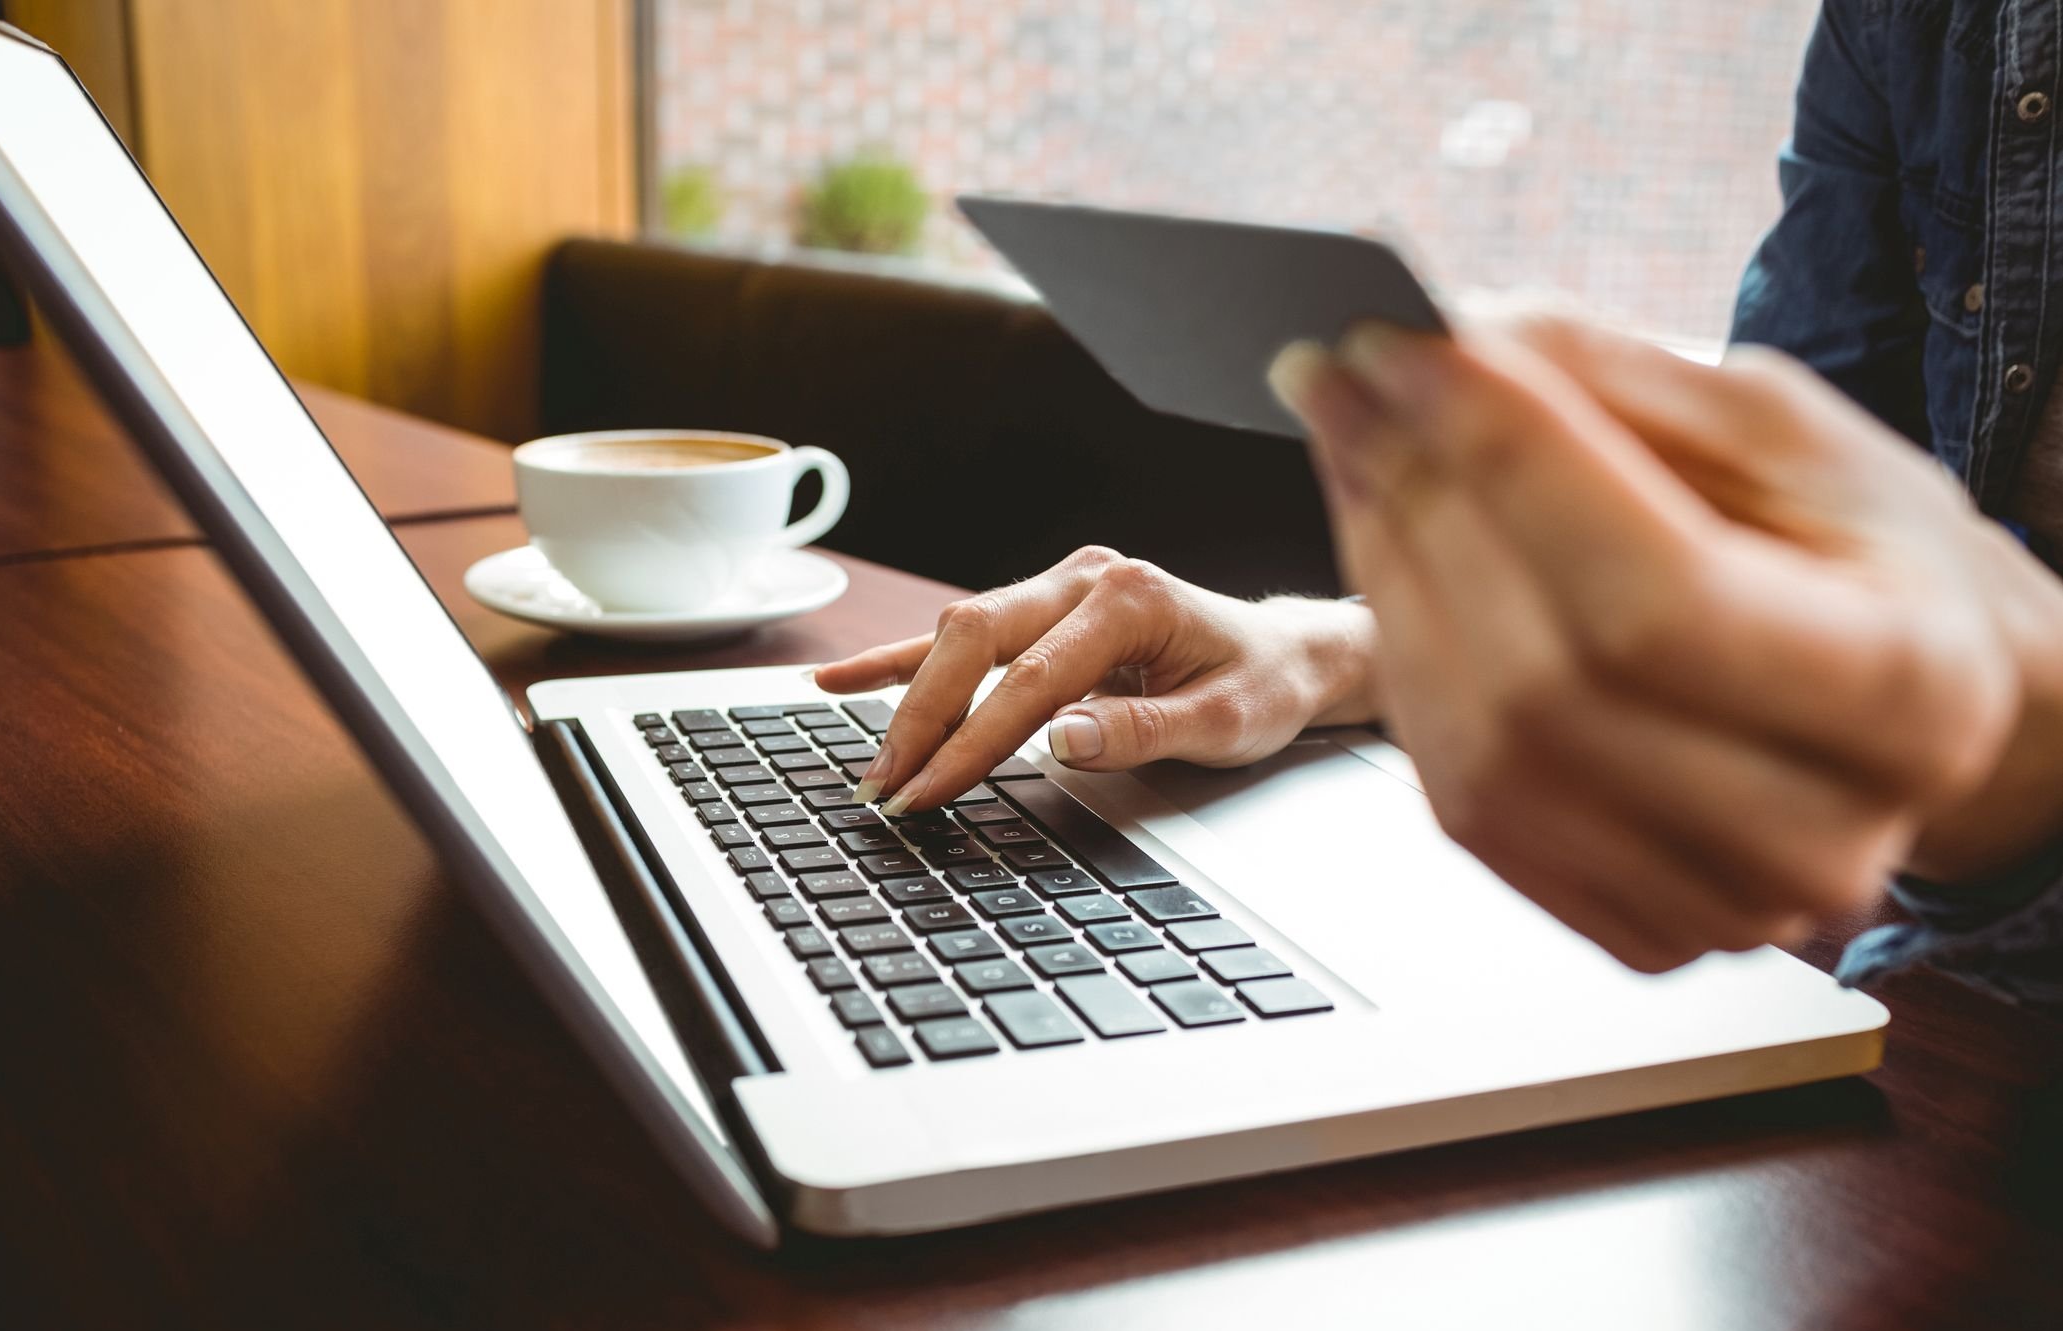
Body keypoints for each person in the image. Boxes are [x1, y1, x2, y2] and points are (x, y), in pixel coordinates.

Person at [815, 0, 2063, 1006]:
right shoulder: (1909, 22)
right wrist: (1326, 648)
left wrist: (2003, 753)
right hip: (1926, 995)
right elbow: (1780, 538)